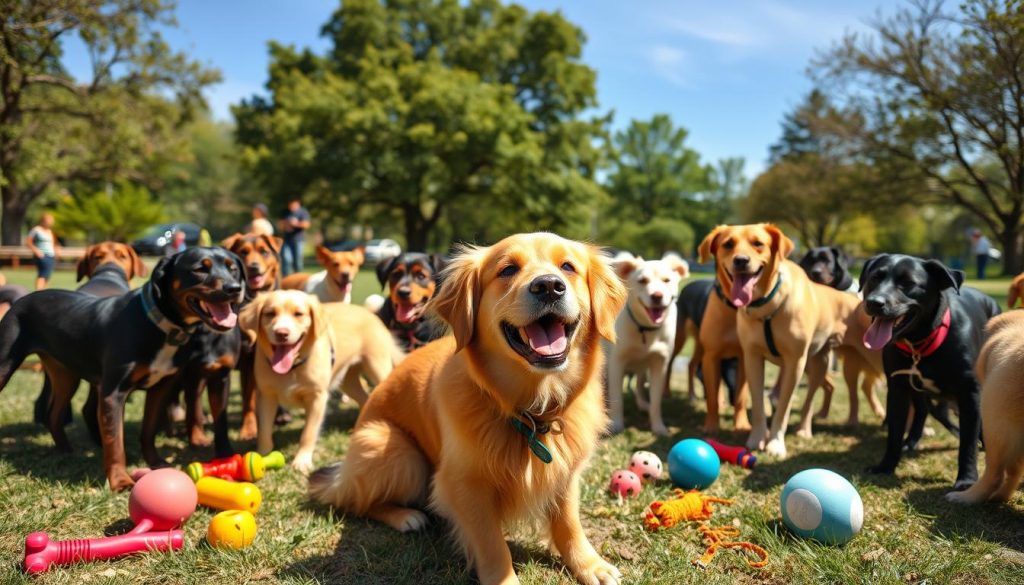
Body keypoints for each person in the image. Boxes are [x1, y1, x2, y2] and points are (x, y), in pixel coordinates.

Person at [25, 212, 59, 290]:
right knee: (42, 274)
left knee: (47, 276)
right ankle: (38, 292)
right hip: (42, 255)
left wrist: (56, 251)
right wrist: (36, 251)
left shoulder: (50, 231)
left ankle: (45, 292)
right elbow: (28, 242)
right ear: (43, 221)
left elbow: (53, 243)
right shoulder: (36, 230)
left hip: (51, 255)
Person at [279, 198, 310, 276]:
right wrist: (286, 224)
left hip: (298, 240)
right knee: (286, 259)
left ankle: (298, 277)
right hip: (286, 240)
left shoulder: (303, 212)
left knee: (298, 261)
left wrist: (296, 224)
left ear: (298, 203)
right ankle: (285, 278)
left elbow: (306, 225)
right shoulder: (285, 212)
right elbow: (280, 225)